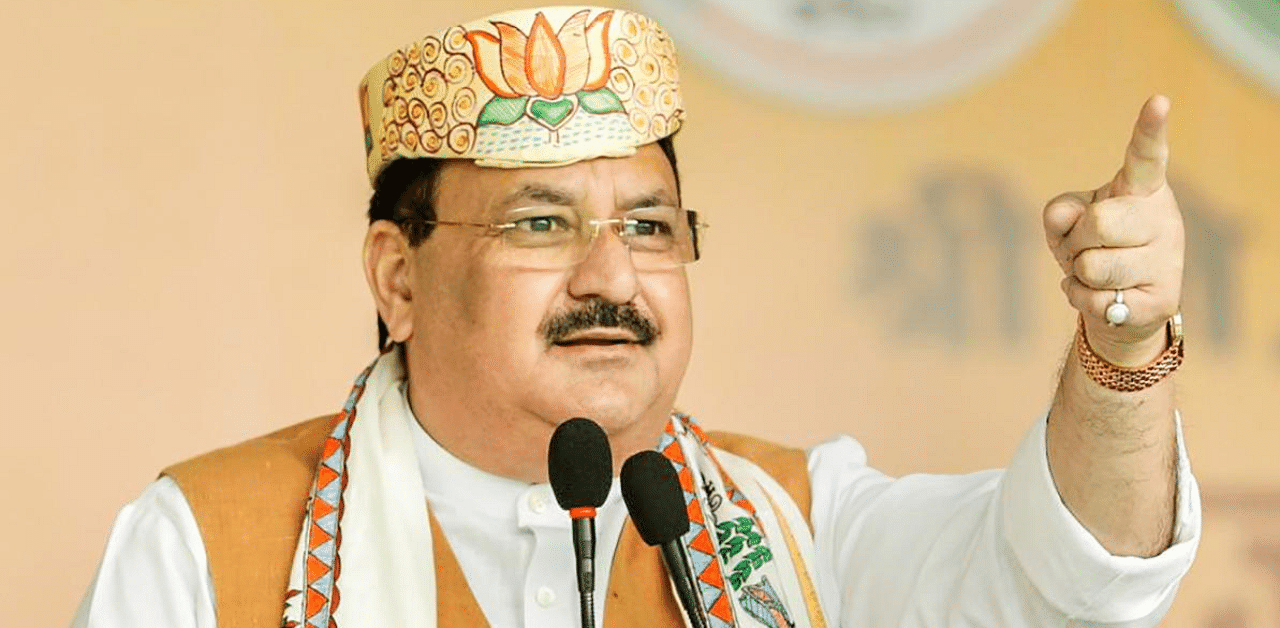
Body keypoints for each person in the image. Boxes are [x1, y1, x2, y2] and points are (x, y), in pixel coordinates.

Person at [72, 6, 1199, 628]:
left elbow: (1065, 578)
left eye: (650, 227)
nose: (609, 274)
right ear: (397, 277)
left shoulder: (793, 529)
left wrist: (1122, 344)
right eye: (540, 222)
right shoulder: (206, 546)